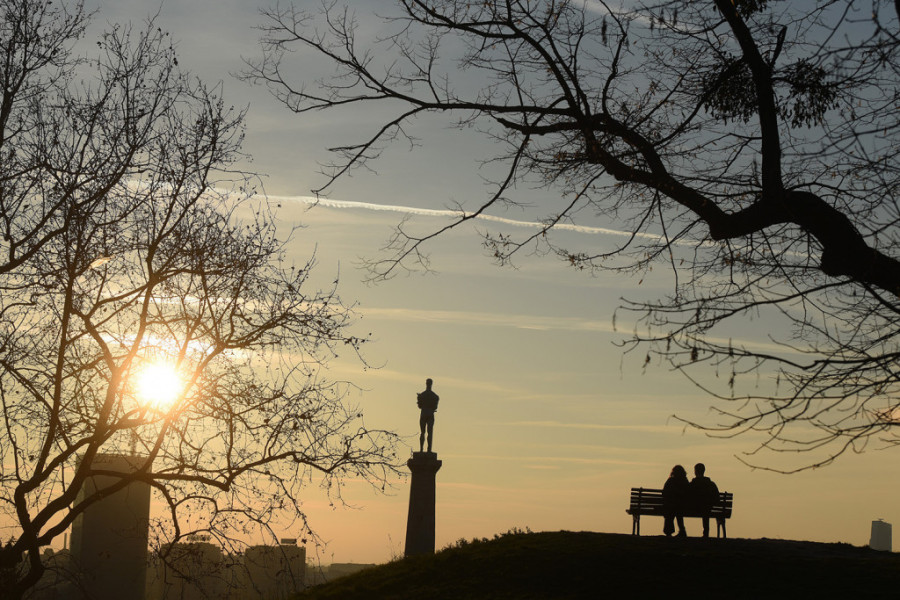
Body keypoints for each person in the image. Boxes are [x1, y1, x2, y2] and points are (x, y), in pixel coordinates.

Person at [690, 463, 720, 538]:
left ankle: (682, 530)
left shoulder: (692, 484)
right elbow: (717, 498)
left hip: (694, 508)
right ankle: (706, 532)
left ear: (695, 471)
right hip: (707, 508)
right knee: (706, 508)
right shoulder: (711, 484)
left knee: (704, 507)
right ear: (704, 471)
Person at [662, 464, 689, 537]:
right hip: (683, 507)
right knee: (678, 510)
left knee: (671, 510)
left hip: (671, 506)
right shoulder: (685, 481)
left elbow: (664, 493)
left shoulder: (670, 481)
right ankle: (682, 530)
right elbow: (688, 493)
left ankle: (668, 531)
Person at [417, 378, 439, 453]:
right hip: (430, 414)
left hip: (423, 413)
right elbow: (435, 407)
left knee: (422, 432)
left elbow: (419, 406)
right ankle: (429, 450)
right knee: (430, 432)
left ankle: (421, 449)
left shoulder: (422, 395)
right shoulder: (435, 396)